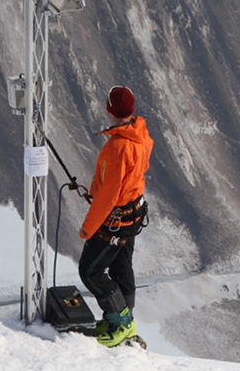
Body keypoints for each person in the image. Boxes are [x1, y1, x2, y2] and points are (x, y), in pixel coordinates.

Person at [78, 85, 154, 347]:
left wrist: (88, 228)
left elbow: (109, 195)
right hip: (132, 213)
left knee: (90, 271)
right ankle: (122, 319)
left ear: (108, 109)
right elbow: (131, 175)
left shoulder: (118, 147)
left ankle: (120, 323)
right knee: (121, 267)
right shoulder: (141, 134)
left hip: (116, 218)